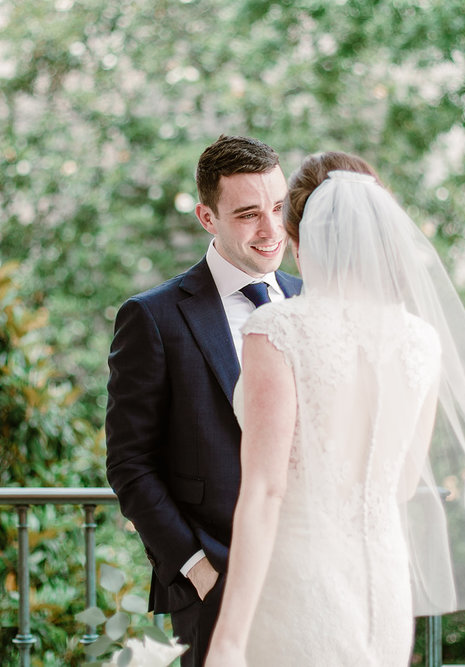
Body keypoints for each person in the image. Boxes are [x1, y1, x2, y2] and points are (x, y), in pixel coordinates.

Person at [204, 151, 465, 666]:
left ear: (296, 240)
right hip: (384, 584)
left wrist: (227, 638)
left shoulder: (279, 330)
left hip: (297, 583)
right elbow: (401, 485)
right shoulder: (419, 341)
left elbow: (265, 492)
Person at [105, 135, 303, 666]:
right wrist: (194, 565)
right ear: (207, 217)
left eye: (279, 208)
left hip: (312, 570)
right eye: (247, 214)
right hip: (214, 581)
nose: (271, 229)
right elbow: (129, 463)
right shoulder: (154, 318)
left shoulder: (316, 301)